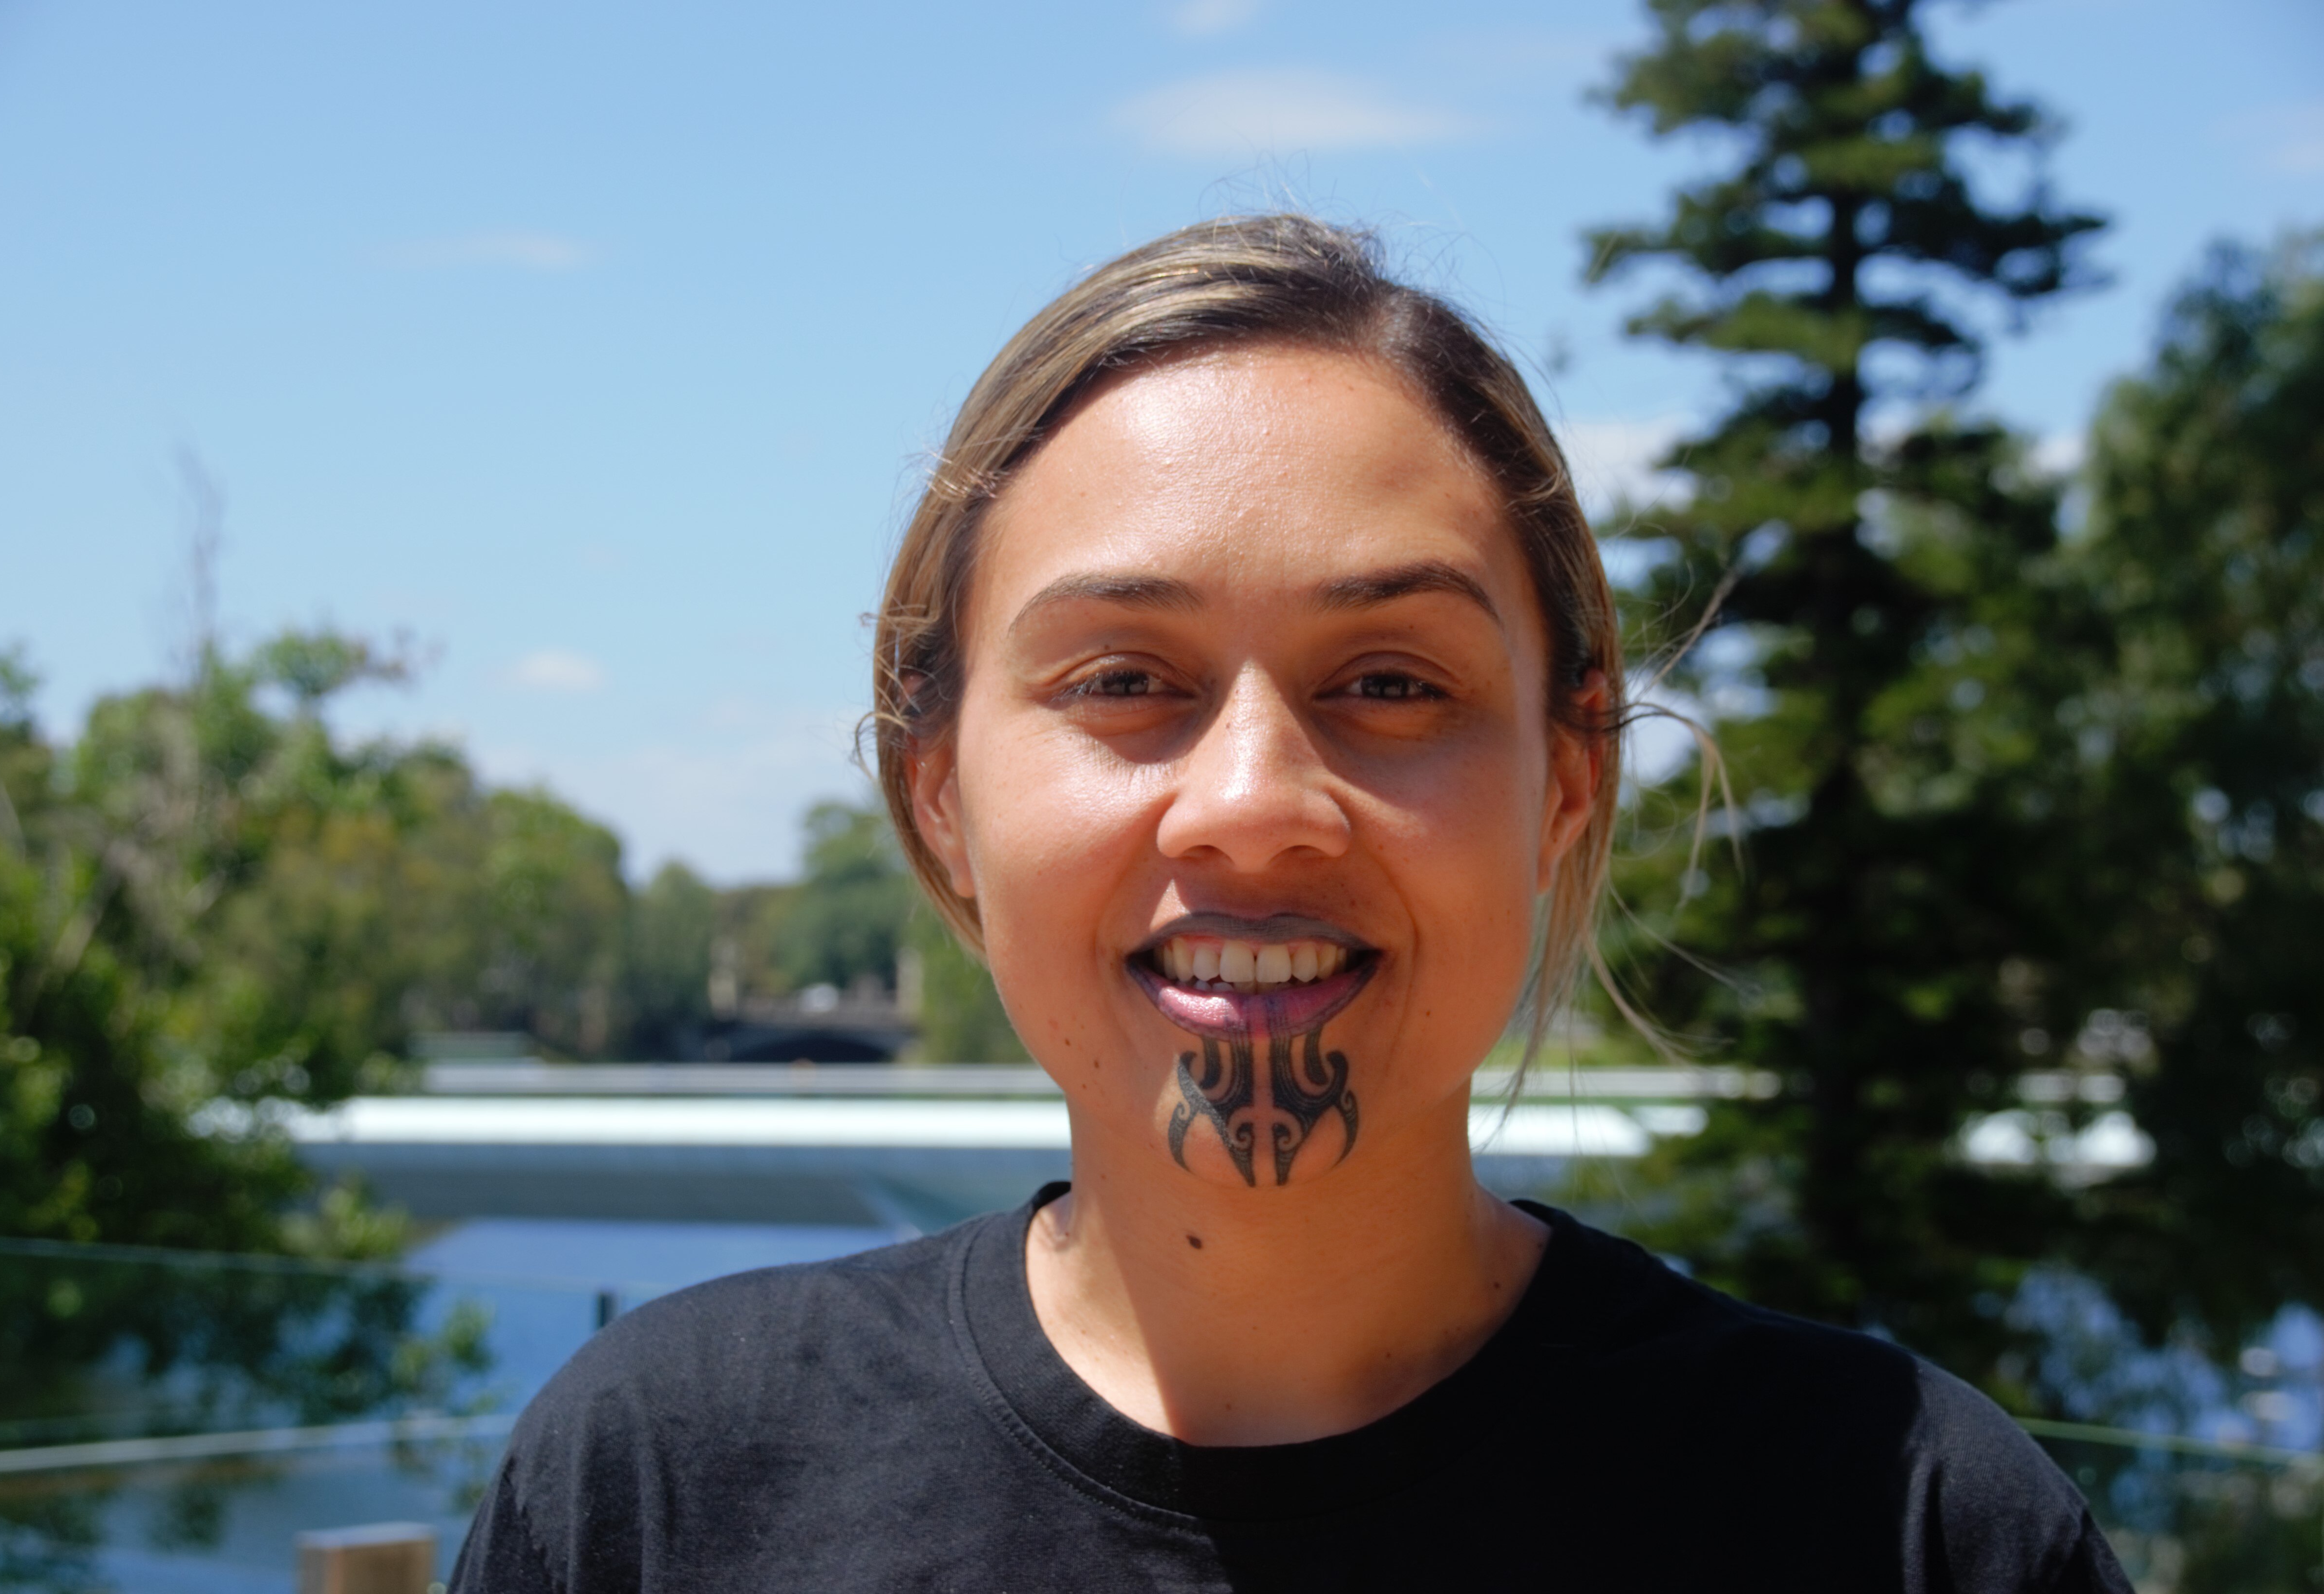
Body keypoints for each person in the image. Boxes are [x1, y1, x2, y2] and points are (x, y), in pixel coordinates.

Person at [448, 215, 2131, 1593]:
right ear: (941, 796)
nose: (1255, 806)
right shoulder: (661, 1493)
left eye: (1392, 681)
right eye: (1124, 678)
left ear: (1565, 784)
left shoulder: (1908, 1526)